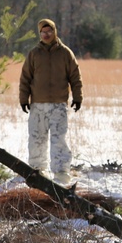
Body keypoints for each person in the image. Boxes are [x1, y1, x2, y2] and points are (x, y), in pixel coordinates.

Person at [19, 18, 83, 185]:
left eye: (49, 31)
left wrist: (77, 97)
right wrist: (23, 99)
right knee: (36, 138)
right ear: (39, 34)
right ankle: (37, 171)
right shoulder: (34, 53)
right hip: (37, 105)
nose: (46, 35)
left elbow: (75, 77)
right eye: (43, 32)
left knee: (58, 139)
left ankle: (61, 172)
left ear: (55, 32)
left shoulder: (65, 53)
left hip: (58, 105)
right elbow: (25, 78)